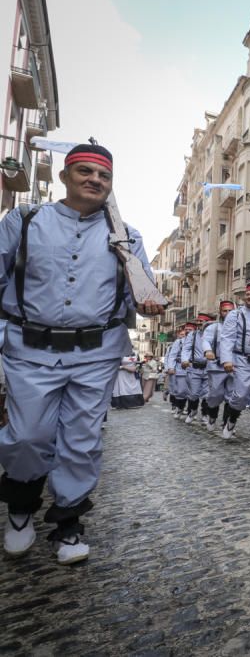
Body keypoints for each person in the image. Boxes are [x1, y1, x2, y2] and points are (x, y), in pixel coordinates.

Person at [0, 142, 163, 563]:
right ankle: (20, 508)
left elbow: (139, 290)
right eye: (85, 172)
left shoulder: (126, 235)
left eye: (104, 175)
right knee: (26, 436)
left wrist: (148, 302)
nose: (94, 180)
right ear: (65, 177)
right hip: (29, 350)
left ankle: (68, 522)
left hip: (96, 354)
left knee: (82, 441)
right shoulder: (25, 220)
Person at [218, 283, 250, 443]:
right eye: (247, 294)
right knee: (240, 395)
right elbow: (227, 338)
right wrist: (227, 359)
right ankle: (231, 421)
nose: (249, 297)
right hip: (242, 360)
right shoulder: (236, 315)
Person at [199, 300, 235, 432]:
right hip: (216, 366)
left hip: (234, 366)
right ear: (220, 312)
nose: (228, 313)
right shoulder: (213, 328)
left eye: (230, 310)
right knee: (215, 395)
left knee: (232, 396)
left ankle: (226, 423)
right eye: (225, 310)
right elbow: (206, 341)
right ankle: (212, 416)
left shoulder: (239, 326)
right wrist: (208, 351)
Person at [180, 314, 214, 425]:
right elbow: (186, 349)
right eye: (198, 321)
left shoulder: (214, 334)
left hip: (209, 368)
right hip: (195, 368)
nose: (199, 323)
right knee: (193, 393)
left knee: (207, 394)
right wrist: (185, 360)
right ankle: (193, 411)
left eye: (202, 321)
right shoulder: (192, 335)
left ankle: (205, 415)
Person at [164, 325, 191, 418]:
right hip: (179, 368)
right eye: (182, 333)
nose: (184, 334)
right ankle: (176, 406)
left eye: (189, 330)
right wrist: (169, 368)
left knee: (191, 391)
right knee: (177, 389)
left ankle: (190, 409)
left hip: (192, 368)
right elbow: (170, 356)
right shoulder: (177, 343)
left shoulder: (197, 340)